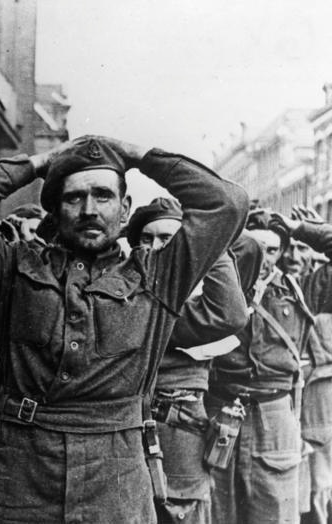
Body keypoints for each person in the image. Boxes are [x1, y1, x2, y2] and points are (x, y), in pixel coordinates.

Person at [0, 135, 248, 522]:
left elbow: (228, 203)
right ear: (54, 210)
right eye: (73, 198)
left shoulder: (158, 276)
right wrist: (42, 161)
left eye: (102, 195)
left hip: (114, 477)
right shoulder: (13, 268)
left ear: (124, 207)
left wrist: (138, 154)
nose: (88, 210)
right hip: (21, 469)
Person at [127, 197, 255, 524]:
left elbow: (231, 311)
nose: (155, 247)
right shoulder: (120, 292)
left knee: (180, 514)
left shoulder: (197, 303)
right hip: (123, 428)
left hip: (178, 429)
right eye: (146, 238)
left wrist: (206, 240)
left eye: (167, 239)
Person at [208, 208, 317, 524]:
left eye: (271, 250)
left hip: (273, 414)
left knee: (274, 513)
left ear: (283, 251)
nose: (262, 258)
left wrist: (302, 228)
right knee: (217, 512)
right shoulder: (216, 290)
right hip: (219, 410)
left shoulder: (302, 290)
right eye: (252, 247)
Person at [273, 206, 332, 524]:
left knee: (317, 499)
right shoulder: (264, 287)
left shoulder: (319, 287)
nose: (293, 255)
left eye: (301, 248)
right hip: (276, 412)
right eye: (288, 247)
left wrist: (306, 229)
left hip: (315, 416)